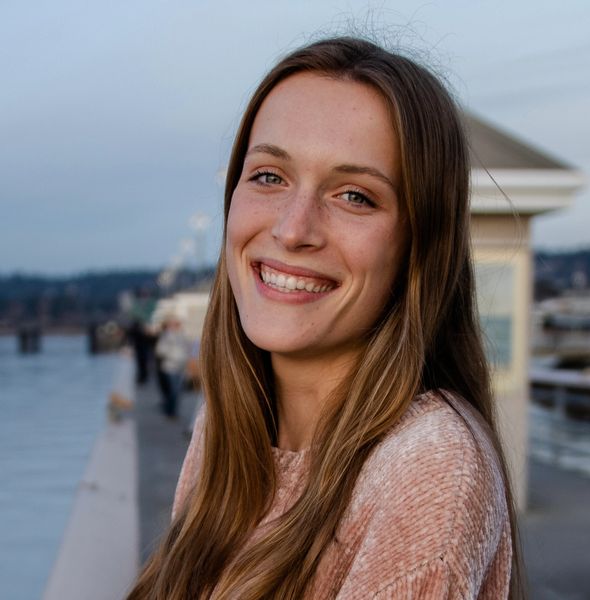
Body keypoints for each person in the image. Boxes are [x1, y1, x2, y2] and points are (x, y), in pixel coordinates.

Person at [127, 37, 523, 599]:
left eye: (355, 196)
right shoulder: (231, 419)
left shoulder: (427, 464)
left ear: (419, 246)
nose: (292, 229)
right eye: (269, 176)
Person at [154, 316, 189, 418]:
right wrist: (172, 355)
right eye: (175, 324)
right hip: (170, 368)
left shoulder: (182, 336)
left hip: (181, 368)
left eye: (178, 324)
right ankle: (170, 411)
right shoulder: (166, 336)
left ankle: (172, 410)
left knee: (178, 391)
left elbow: (186, 350)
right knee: (173, 391)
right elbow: (159, 351)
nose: (177, 326)